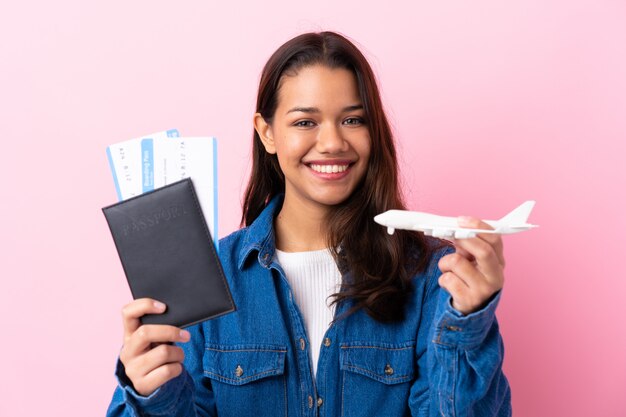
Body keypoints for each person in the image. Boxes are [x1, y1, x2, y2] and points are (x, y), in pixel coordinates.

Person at [107, 31, 511, 417]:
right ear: (267, 133)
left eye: (353, 120)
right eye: (305, 122)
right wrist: (149, 394)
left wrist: (467, 325)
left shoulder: (430, 276)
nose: (333, 142)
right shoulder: (212, 275)